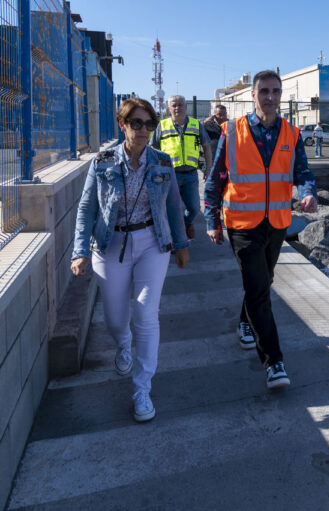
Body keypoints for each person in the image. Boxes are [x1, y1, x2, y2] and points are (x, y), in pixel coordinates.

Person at [71, 97, 190, 422]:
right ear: (122, 125)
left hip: (152, 242)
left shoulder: (163, 162)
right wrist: (80, 250)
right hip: (110, 244)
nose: (143, 130)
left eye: (149, 124)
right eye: (136, 123)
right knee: (114, 318)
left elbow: (173, 207)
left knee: (146, 315)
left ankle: (141, 391)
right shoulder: (103, 161)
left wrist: (180, 244)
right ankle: (123, 344)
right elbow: (86, 209)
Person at [204, 69, 318, 389]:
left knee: (263, 281)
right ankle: (274, 361)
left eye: (275, 91)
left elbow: (303, 172)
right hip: (241, 225)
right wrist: (211, 220)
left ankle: (245, 321)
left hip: (277, 222)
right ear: (253, 95)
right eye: (264, 91)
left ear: (281, 96)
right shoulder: (233, 131)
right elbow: (216, 179)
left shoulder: (292, 134)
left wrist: (307, 192)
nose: (270, 97)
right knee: (258, 289)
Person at [151, 95, 212, 240]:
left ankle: (185, 224)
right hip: (169, 175)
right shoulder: (162, 125)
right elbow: (153, 148)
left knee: (194, 209)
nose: (177, 108)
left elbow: (207, 146)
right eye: (174, 105)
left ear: (186, 107)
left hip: (191, 175)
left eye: (180, 105)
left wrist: (208, 168)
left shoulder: (196, 124)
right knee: (171, 208)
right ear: (169, 108)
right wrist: (156, 169)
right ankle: (174, 238)